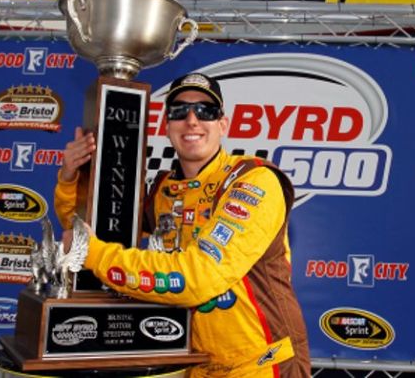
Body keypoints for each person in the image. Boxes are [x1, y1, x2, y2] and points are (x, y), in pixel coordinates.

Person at [54, 72, 310, 377]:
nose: (192, 120)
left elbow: (199, 278)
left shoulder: (252, 180)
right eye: (179, 111)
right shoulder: (164, 189)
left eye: (206, 111)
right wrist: (73, 180)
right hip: (191, 364)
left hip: (261, 365)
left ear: (223, 124)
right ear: (167, 126)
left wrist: (94, 255)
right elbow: (94, 231)